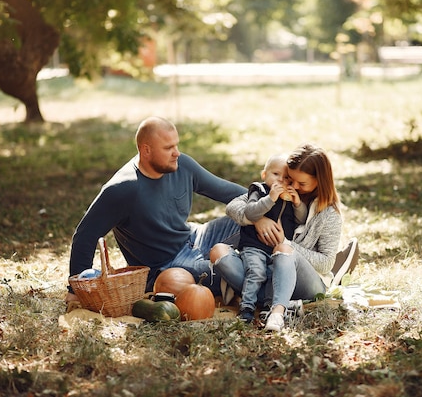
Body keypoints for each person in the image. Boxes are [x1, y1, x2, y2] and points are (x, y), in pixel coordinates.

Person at [65, 116, 246, 304]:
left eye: (176, 145)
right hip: (168, 266)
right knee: (224, 271)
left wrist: (261, 207)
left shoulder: (182, 165)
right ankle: (253, 282)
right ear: (146, 150)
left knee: (252, 220)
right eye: (168, 148)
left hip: (196, 237)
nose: (176, 153)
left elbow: (227, 191)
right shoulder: (122, 189)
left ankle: (248, 273)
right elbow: (85, 235)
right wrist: (75, 288)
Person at [210, 143, 342, 331]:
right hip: (267, 270)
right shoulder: (277, 190)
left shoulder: (329, 214)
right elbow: (233, 206)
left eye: (301, 183)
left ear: (319, 181)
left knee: (282, 250)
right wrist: (258, 219)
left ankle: (277, 312)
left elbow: (326, 263)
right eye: (291, 179)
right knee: (218, 251)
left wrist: (285, 243)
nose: (294, 186)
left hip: (305, 282)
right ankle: (277, 300)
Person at [229, 154, 308, 323]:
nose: (281, 180)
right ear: (264, 175)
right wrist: (270, 198)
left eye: (286, 177)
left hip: (275, 249)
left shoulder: (287, 198)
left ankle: (268, 306)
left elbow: (301, 220)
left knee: (274, 275)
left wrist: (297, 204)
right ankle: (247, 307)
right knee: (256, 272)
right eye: (276, 174)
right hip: (254, 246)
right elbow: (250, 212)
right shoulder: (259, 190)